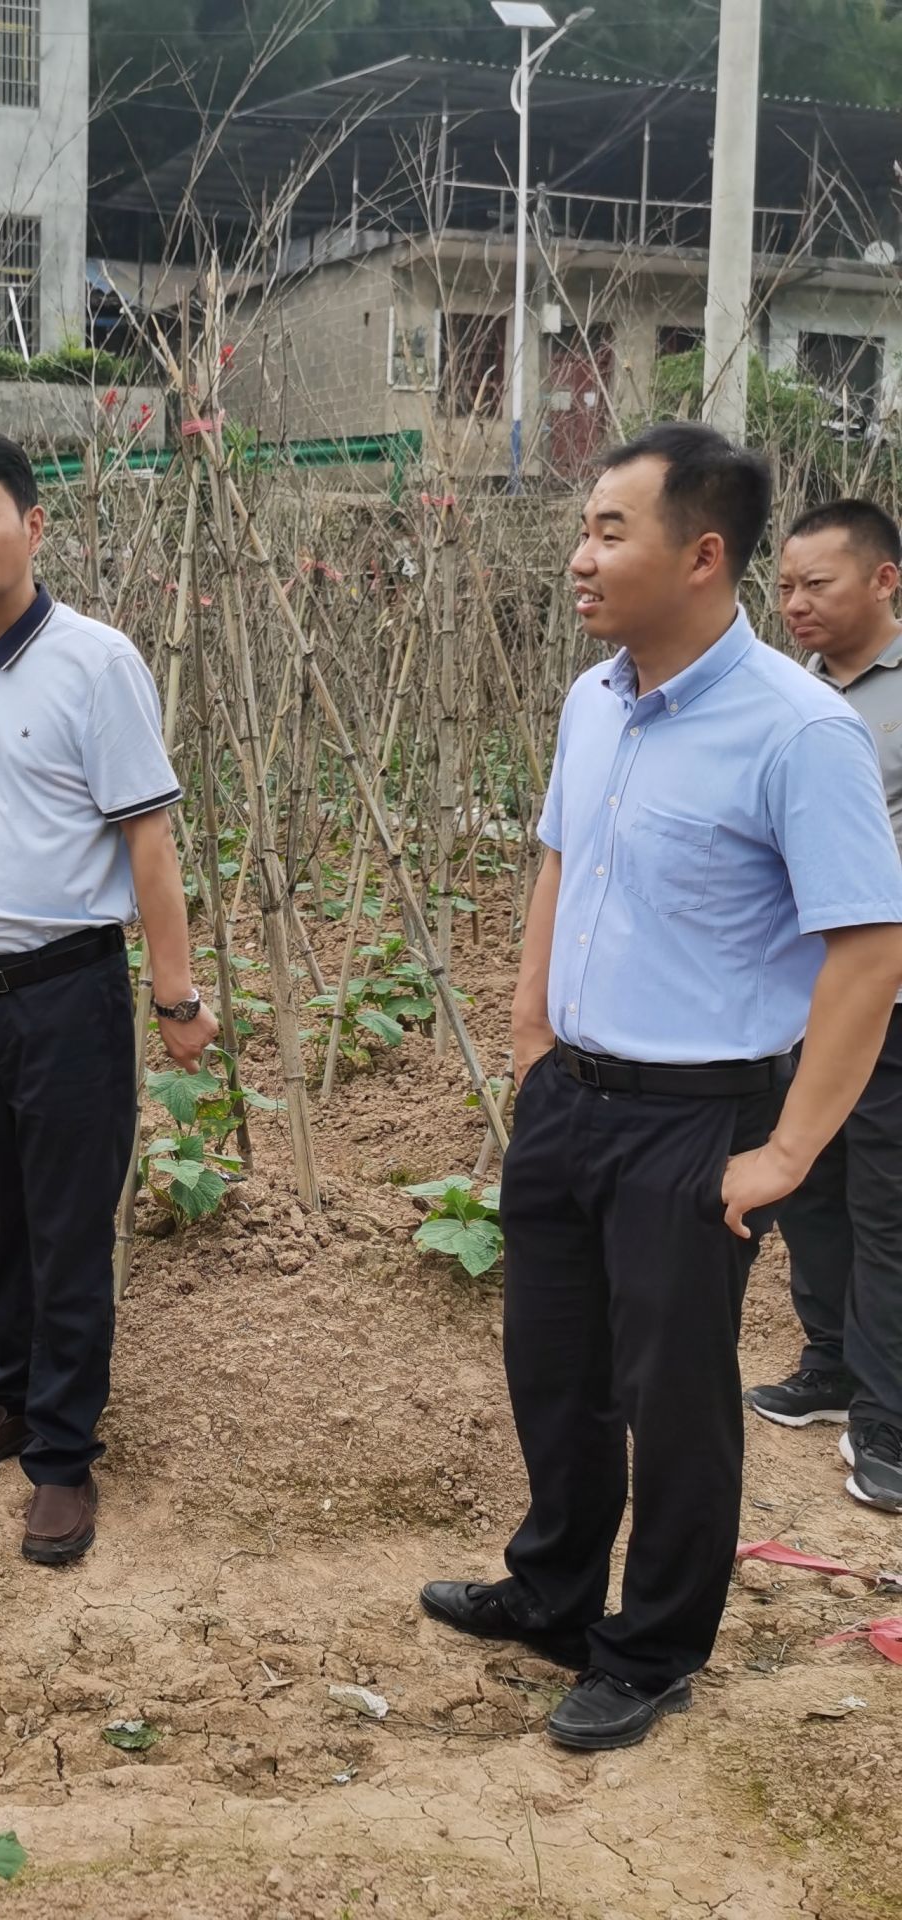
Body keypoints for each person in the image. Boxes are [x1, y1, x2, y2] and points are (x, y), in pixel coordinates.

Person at [420, 424, 902, 1752]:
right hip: (571, 1098)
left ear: (702, 556)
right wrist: (529, 1032)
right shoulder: (594, 700)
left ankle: (653, 1646)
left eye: (607, 531)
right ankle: (556, 1591)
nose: (579, 556)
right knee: (553, 1367)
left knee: (674, 1392)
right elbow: (561, 862)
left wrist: (791, 1151)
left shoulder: (798, 731)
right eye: (583, 529)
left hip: (701, 1120)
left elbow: (869, 950)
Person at [0, 427, 216, 1568]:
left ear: (32, 526)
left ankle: (65, 1459)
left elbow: (149, 836)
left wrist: (173, 997)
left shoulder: (97, 661)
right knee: (4, 1217)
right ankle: (10, 1396)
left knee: (71, 1229)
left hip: (70, 992)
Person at [747, 499, 902, 1513]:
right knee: (807, 1180)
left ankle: (891, 1418)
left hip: (886, 992)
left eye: (819, 585)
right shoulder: (789, 693)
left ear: (885, 580)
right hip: (795, 991)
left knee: (887, 1202)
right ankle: (831, 1363)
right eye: (787, 586)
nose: (796, 604)